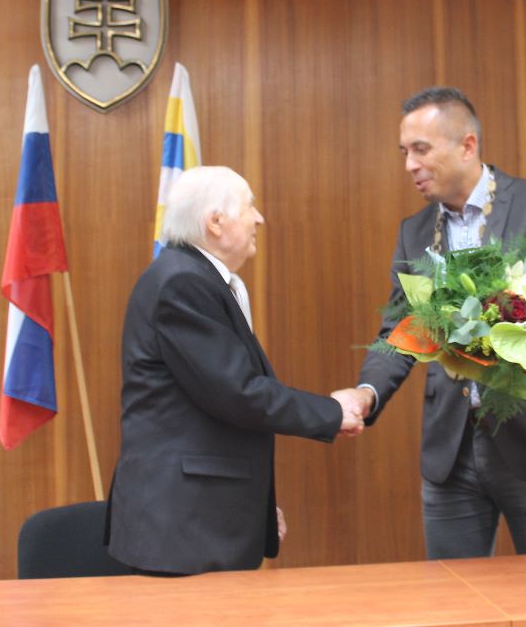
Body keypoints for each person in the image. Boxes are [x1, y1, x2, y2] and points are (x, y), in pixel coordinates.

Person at [335, 87, 526, 560]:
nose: (410, 165)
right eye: (404, 152)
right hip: (450, 454)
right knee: (451, 594)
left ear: (467, 146)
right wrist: (365, 393)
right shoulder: (414, 231)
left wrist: (510, 338)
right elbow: (401, 328)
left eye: (421, 149)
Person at [107, 166, 364, 575]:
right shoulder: (182, 283)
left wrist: (256, 504)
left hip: (198, 516)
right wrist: (331, 412)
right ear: (215, 222)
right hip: (183, 527)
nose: (259, 218)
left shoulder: (193, 276)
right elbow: (236, 392)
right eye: (249, 207)